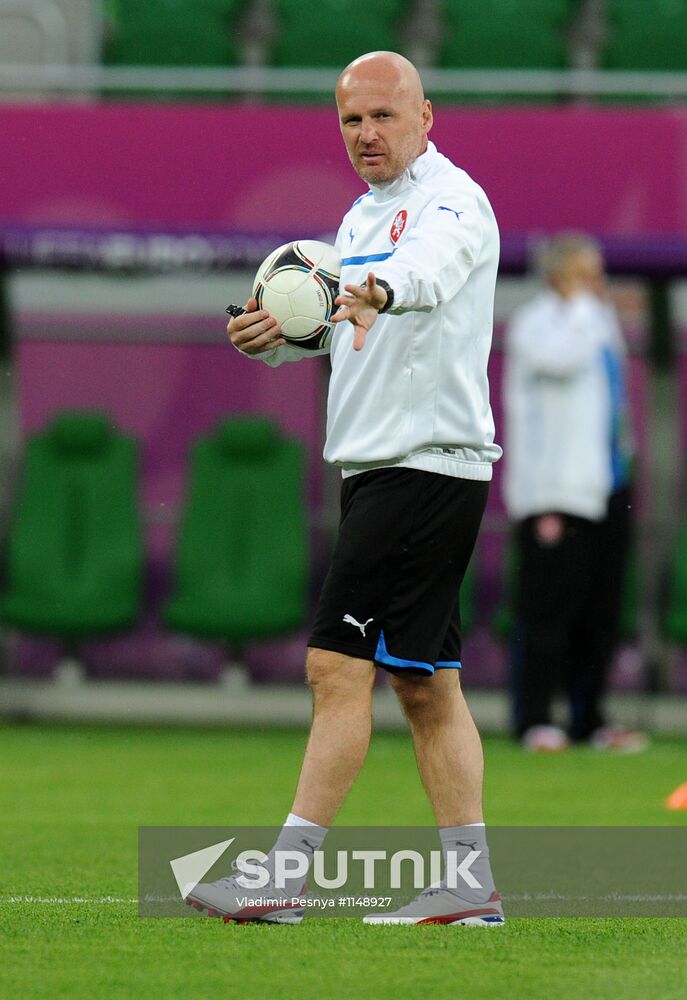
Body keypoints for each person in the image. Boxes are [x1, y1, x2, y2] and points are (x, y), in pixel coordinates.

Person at [187, 51, 504, 925]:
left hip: (421, 463)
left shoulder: (452, 201)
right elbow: (343, 327)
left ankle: (284, 878)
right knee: (425, 684)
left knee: (334, 666)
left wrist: (377, 287)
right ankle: (469, 886)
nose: (366, 133)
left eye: (383, 116)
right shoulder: (359, 215)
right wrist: (275, 338)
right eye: (351, 120)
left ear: (424, 117)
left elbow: (426, 274)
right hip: (383, 467)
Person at [503, 233, 646, 753]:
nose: (599, 282)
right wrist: (585, 307)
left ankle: (590, 718)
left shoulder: (597, 321)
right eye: (589, 273)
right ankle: (535, 718)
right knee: (547, 609)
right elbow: (560, 361)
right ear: (561, 276)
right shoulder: (536, 323)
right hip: (554, 491)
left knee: (601, 609)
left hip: (606, 484)